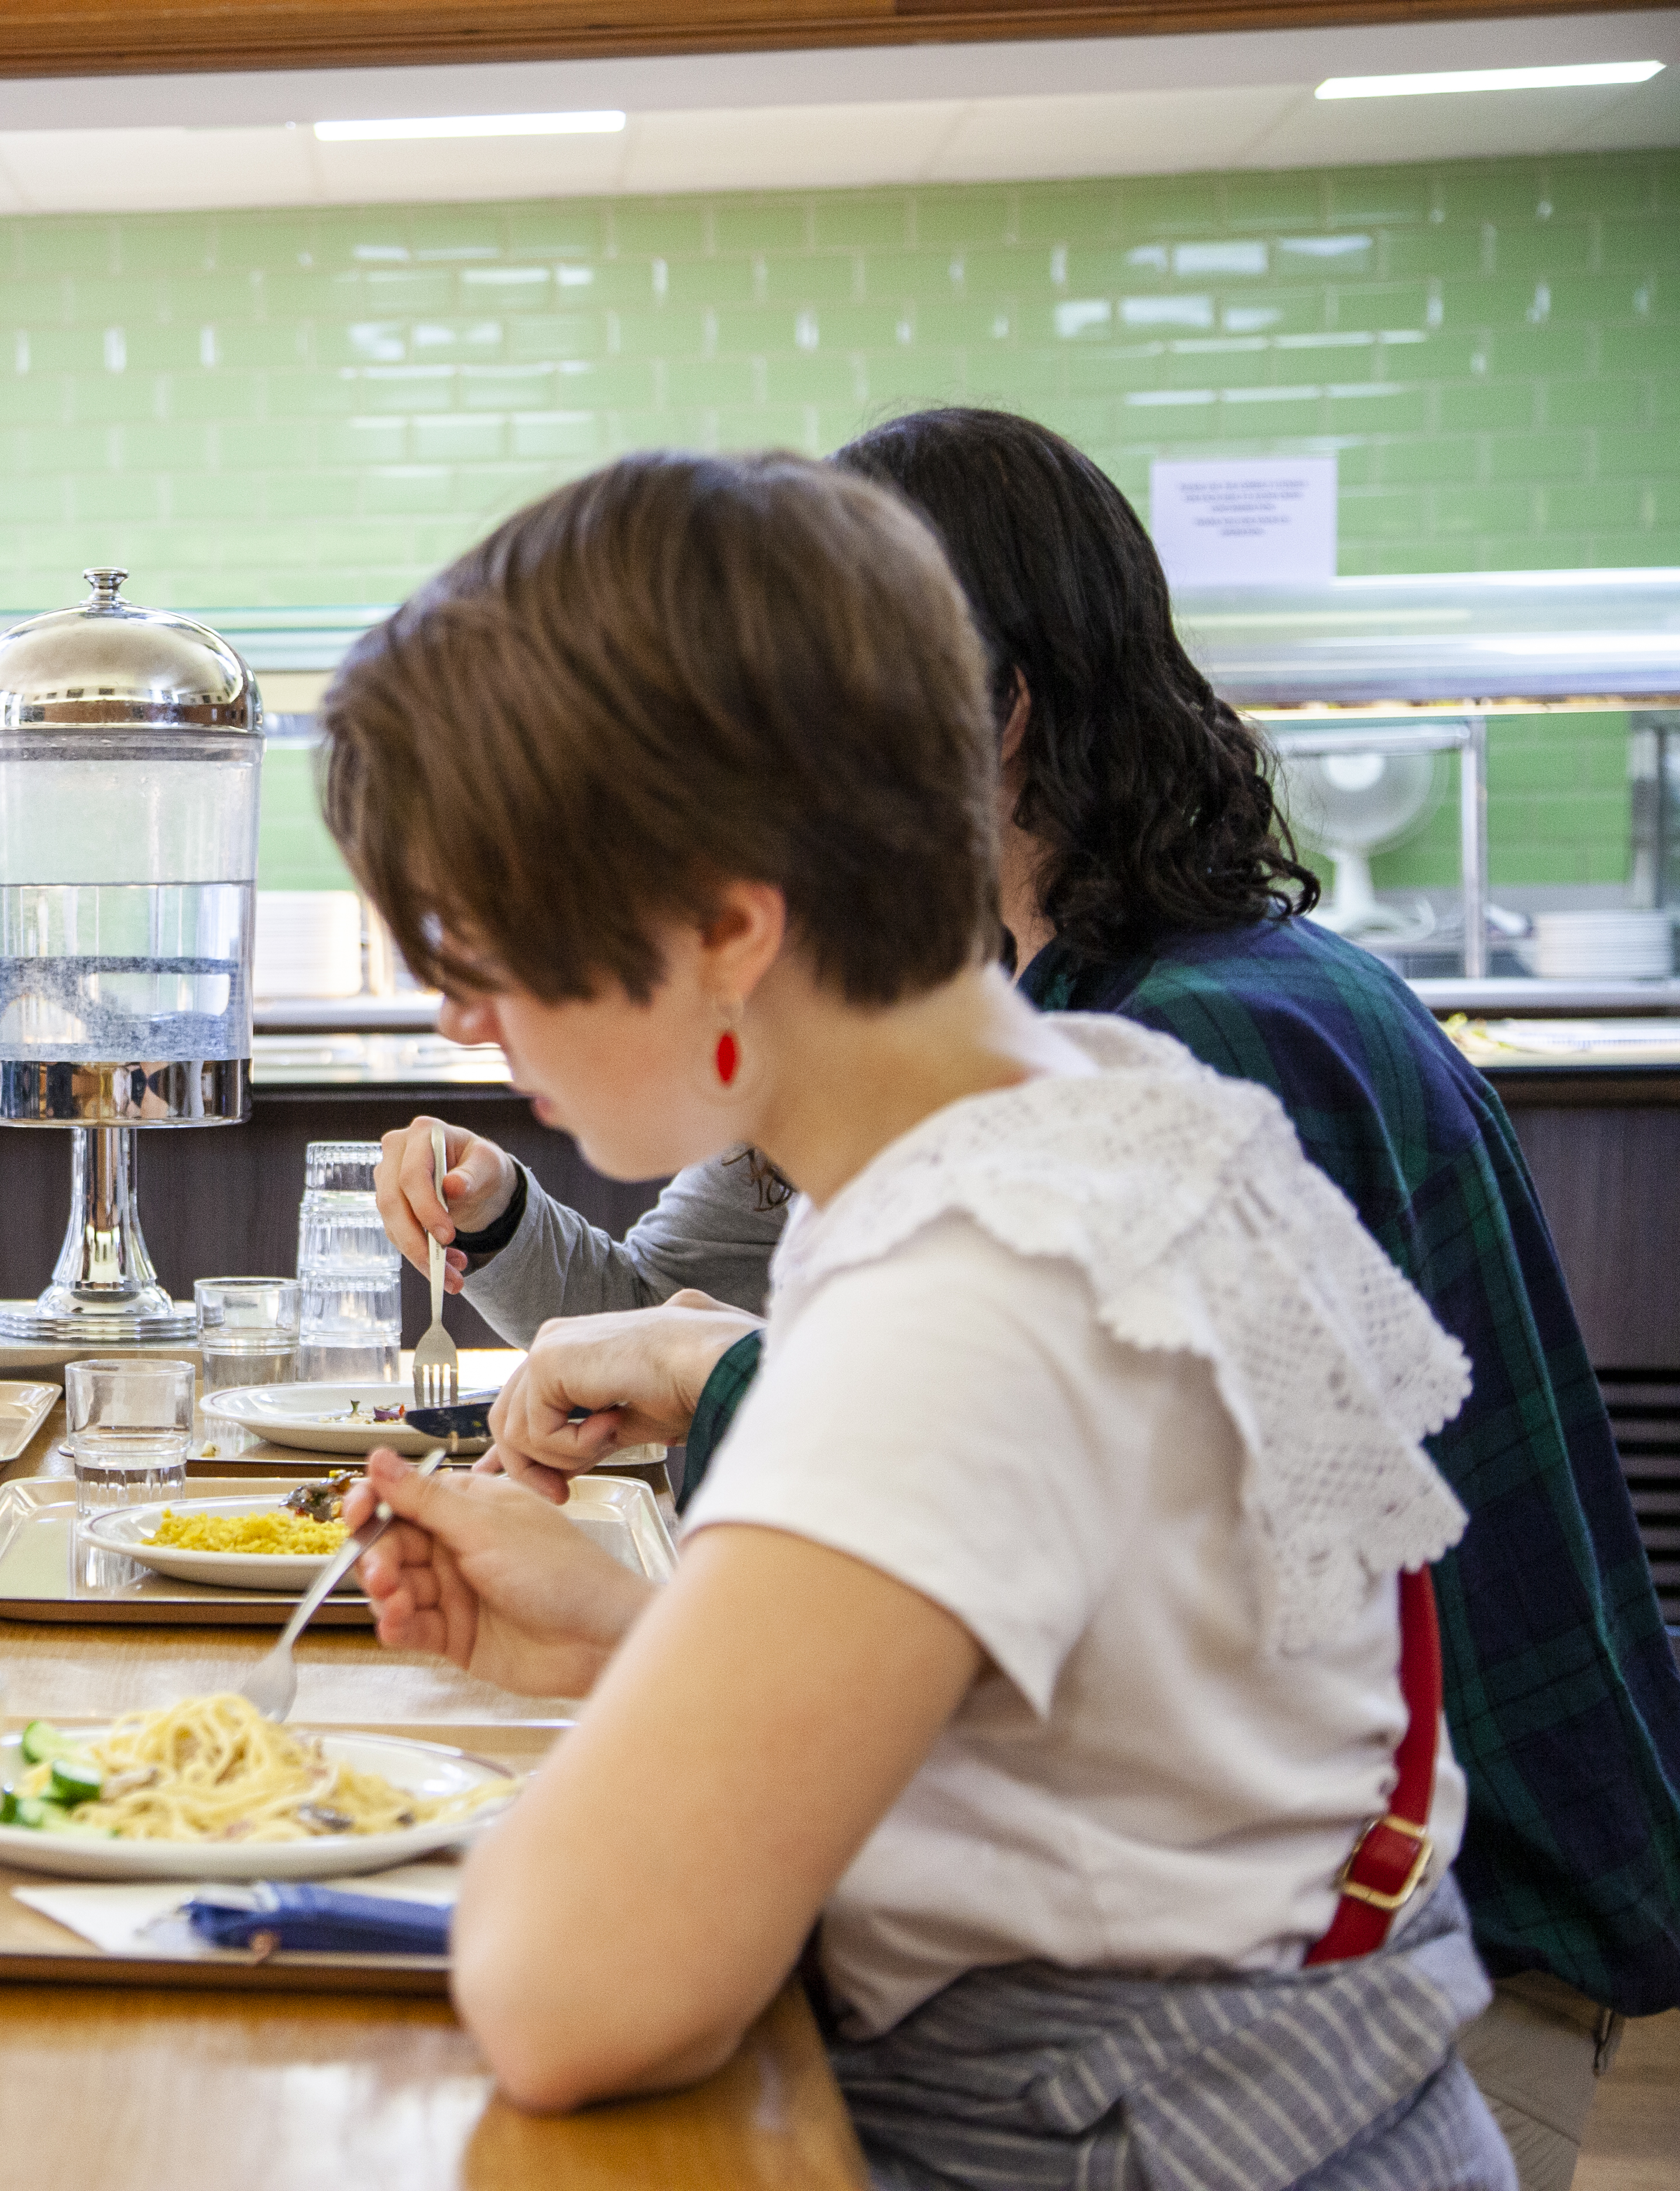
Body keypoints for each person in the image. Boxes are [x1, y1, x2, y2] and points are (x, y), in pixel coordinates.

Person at [379, 408, 1680, 2189]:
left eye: (483, 943)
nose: (465, 1019)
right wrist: (632, 1636)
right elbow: (1104, 1753)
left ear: (727, 925)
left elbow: (568, 1991)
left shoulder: (974, 1273)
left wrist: (589, 1806)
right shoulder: (1107, 1117)